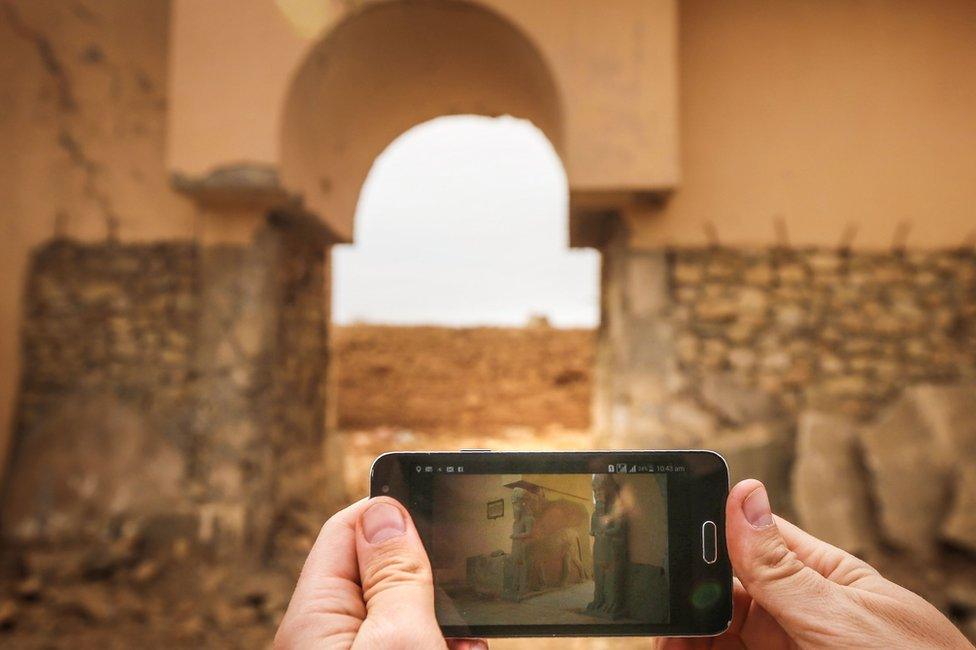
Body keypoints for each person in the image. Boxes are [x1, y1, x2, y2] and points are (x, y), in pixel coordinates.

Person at [274, 479, 973, 649]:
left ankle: (607, 606)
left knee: (604, 582)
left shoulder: (607, 514)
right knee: (599, 582)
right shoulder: (597, 514)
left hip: (599, 553)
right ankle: (605, 606)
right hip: (594, 552)